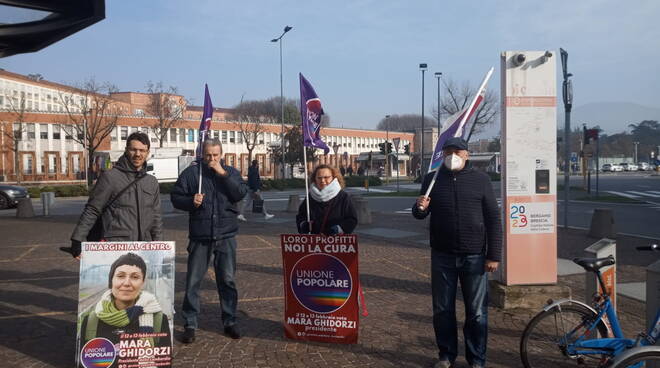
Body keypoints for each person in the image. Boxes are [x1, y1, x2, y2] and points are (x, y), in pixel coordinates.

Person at [412, 137, 502, 368]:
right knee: (442, 309)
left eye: (457, 151)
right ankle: (446, 355)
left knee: (477, 312)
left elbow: (493, 218)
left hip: (474, 256)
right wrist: (419, 206)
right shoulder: (432, 179)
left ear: (467, 154)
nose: (453, 155)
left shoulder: (481, 180)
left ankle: (477, 359)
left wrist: (494, 255)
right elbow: (421, 213)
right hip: (442, 255)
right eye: (448, 151)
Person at [170, 138, 248, 343]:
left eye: (215, 155)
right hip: (201, 235)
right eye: (208, 155)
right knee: (193, 281)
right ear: (202, 155)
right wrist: (189, 201)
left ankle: (230, 321)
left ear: (221, 154)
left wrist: (223, 174)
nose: (212, 159)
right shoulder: (192, 173)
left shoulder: (230, 173)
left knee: (227, 280)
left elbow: (240, 193)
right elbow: (175, 197)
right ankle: (190, 323)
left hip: (226, 234)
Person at [62, 132, 163, 258]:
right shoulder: (110, 177)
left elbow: (156, 216)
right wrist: (77, 239)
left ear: (148, 153)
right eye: (133, 149)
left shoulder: (151, 182)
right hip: (116, 246)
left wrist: (158, 244)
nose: (138, 154)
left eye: (142, 150)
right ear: (126, 150)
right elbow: (92, 209)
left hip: (145, 247)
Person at [78, 253, 171, 365]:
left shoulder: (159, 320)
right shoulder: (91, 321)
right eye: (121, 276)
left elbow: (164, 364)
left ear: (142, 283)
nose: (127, 283)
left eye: (135, 277)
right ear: (111, 280)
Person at [296, 164, 358, 235]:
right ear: (315, 179)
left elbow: (352, 219)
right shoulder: (310, 197)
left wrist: (338, 229)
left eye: (326, 177)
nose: (322, 180)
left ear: (333, 178)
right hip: (315, 242)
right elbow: (301, 216)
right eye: (319, 178)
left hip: (336, 242)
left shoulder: (343, 197)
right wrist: (304, 225)